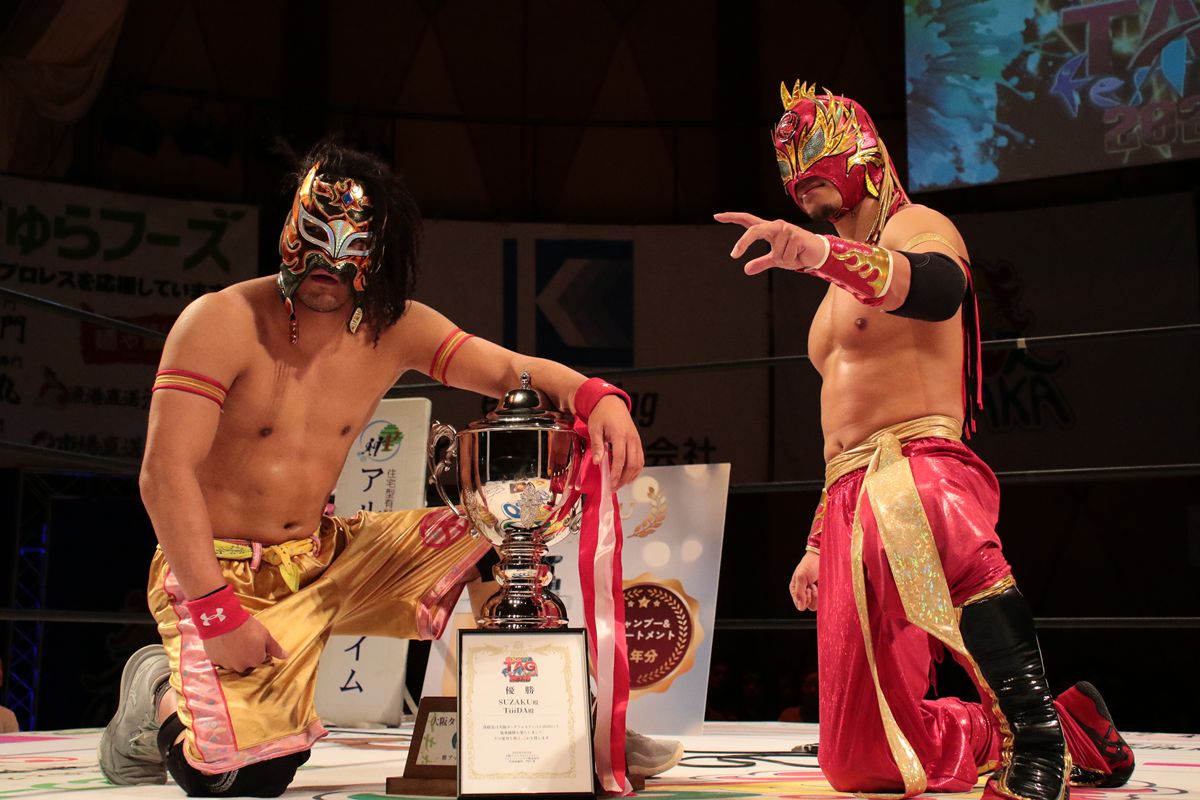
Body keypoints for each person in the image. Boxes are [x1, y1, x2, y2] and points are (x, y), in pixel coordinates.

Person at [98, 141, 679, 796]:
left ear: (379, 254)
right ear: (288, 229)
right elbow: (163, 474)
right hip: (225, 570)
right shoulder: (219, 321)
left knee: (502, 532)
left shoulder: (391, 326)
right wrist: (214, 614)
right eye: (313, 240)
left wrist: (598, 398)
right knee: (244, 780)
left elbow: (507, 370)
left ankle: (569, 715)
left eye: (348, 250)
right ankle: (158, 696)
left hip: (331, 555)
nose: (326, 266)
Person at [715, 81, 1135, 800]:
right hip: (846, 493)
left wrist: (819, 254)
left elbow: (940, 289)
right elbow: (839, 426)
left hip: (917, 463)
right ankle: (1068, 729)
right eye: (791, 175)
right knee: (859, 762)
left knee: (935, 517)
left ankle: (1036, 739)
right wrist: (818, 537)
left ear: (860, 155)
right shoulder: (834, 280)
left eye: (814, 165)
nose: (801, 185)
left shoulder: (917, 226)